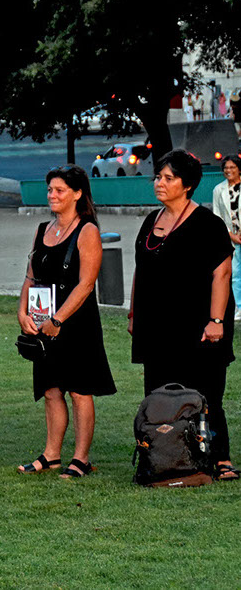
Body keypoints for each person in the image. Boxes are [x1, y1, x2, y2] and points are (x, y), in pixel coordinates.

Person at [130, 149, 239, 481]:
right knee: (161, 393)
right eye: (158, 177)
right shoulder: (152, 220)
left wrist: (216, 320)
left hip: (200, 323)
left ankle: (220, 458)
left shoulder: (208, 224)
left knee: (207, 392)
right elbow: (141, 270)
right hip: (158, 325)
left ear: (188, 184)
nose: (159, 183)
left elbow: (222, 273)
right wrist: (134, 313)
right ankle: (166, 456)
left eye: (168, 178)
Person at [17, 166, 115, 478]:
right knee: (50, 389)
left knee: (79, 391)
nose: (52, 195)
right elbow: (31, 275)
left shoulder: (87, 230)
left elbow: (86, 284)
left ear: (77, 193)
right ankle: (51, 455)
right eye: (50, 190)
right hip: (43, 320)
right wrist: (22, 311)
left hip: (76, 322)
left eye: (59, 190)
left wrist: (58, 320)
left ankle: (80, 458)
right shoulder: (42, 229)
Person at [212, 154, 241, 322]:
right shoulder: (218, 190)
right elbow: (218, 216)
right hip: (232, 238)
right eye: (226, 168)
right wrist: (231, 235)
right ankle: (239, 307)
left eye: (232, 167)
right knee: (235, 273)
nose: (228, 170)